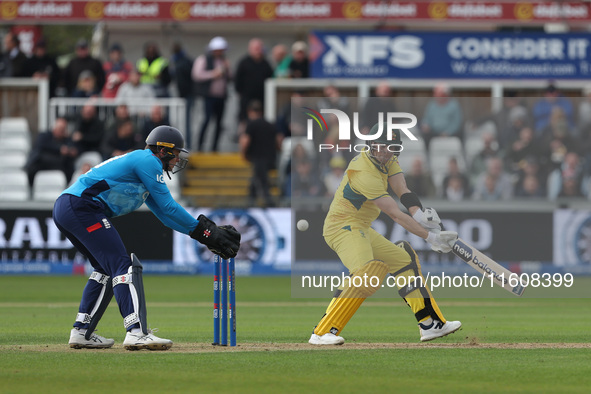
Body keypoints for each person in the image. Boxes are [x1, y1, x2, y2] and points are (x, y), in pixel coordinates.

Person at [54, 125, 241, 350]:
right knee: (122, 264)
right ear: (163, 151)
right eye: (176, 154)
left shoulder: (145, 170)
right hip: (81, 206)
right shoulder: (147, 161)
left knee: (105, 268)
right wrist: (206, 232)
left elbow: (164, 215)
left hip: (70, 207)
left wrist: (201, 236)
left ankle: (81, 331)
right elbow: (170, 207)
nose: (177, 160)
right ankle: (135, 332)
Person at [308, 123, 461, 345]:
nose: (387, 152)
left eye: (392, 148)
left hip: (361, 226)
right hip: (341, 226)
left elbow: (402, 190)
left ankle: (430, 324)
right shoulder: (363, 171)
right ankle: (322, 333)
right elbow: (395, 214)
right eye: (383, 147)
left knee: (404, 260)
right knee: (366, 274)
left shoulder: (388, 159)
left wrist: (420, 216)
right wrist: (431, 238)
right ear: (371, 145)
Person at [192, 36, 231, 152]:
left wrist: (227, 69)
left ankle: (215, 147)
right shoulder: (203, 59)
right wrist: (213, 74)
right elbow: (197, 75)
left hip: (221, 96)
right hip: (208, 96)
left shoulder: (224, 61)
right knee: (206, 120)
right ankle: (200, 146)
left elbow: (230, 77)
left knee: (219, 122)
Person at [239, 101, 280, 207]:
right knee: (257, 178)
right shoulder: (270, 124)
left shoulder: (251, 125)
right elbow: (278, 141)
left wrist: (243, 153)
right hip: (270, 157)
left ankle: (268, 202)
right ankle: (251, 199)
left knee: (262, 181)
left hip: (258, 157)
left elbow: (245, 141)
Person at [234, 38, 274, 134]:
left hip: (262, 99)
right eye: (256, 48)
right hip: (246, 99)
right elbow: (237, 81)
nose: (258, 50)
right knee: (244, 123)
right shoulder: (243, 63)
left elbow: (271, 79)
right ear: (250, 49)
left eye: (259, 48)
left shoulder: (266, 64)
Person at [25, 117, 78, 186]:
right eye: (60, 129)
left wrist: (70, 151)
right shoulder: (44, 136)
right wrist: (59, 149)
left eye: (63, 130)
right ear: (54, 128)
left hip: (59, 166)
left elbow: (74, 150)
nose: (61, 132)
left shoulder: (67, 140)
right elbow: (41, 145)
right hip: (41, 164)